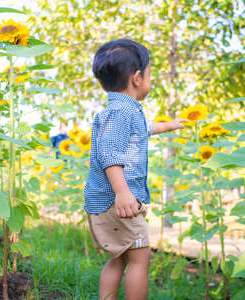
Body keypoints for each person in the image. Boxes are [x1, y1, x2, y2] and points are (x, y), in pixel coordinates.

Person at [84, 38, 186, 300]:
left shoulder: (123, 111)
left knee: (119, 258)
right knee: (140, 258)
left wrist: (170, 125)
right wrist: (123, 192)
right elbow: (109, 154)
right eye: (150, 74)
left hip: (107, 200)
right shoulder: (122, 113)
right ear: (137, 78)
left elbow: (145, 128)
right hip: (118, 201)